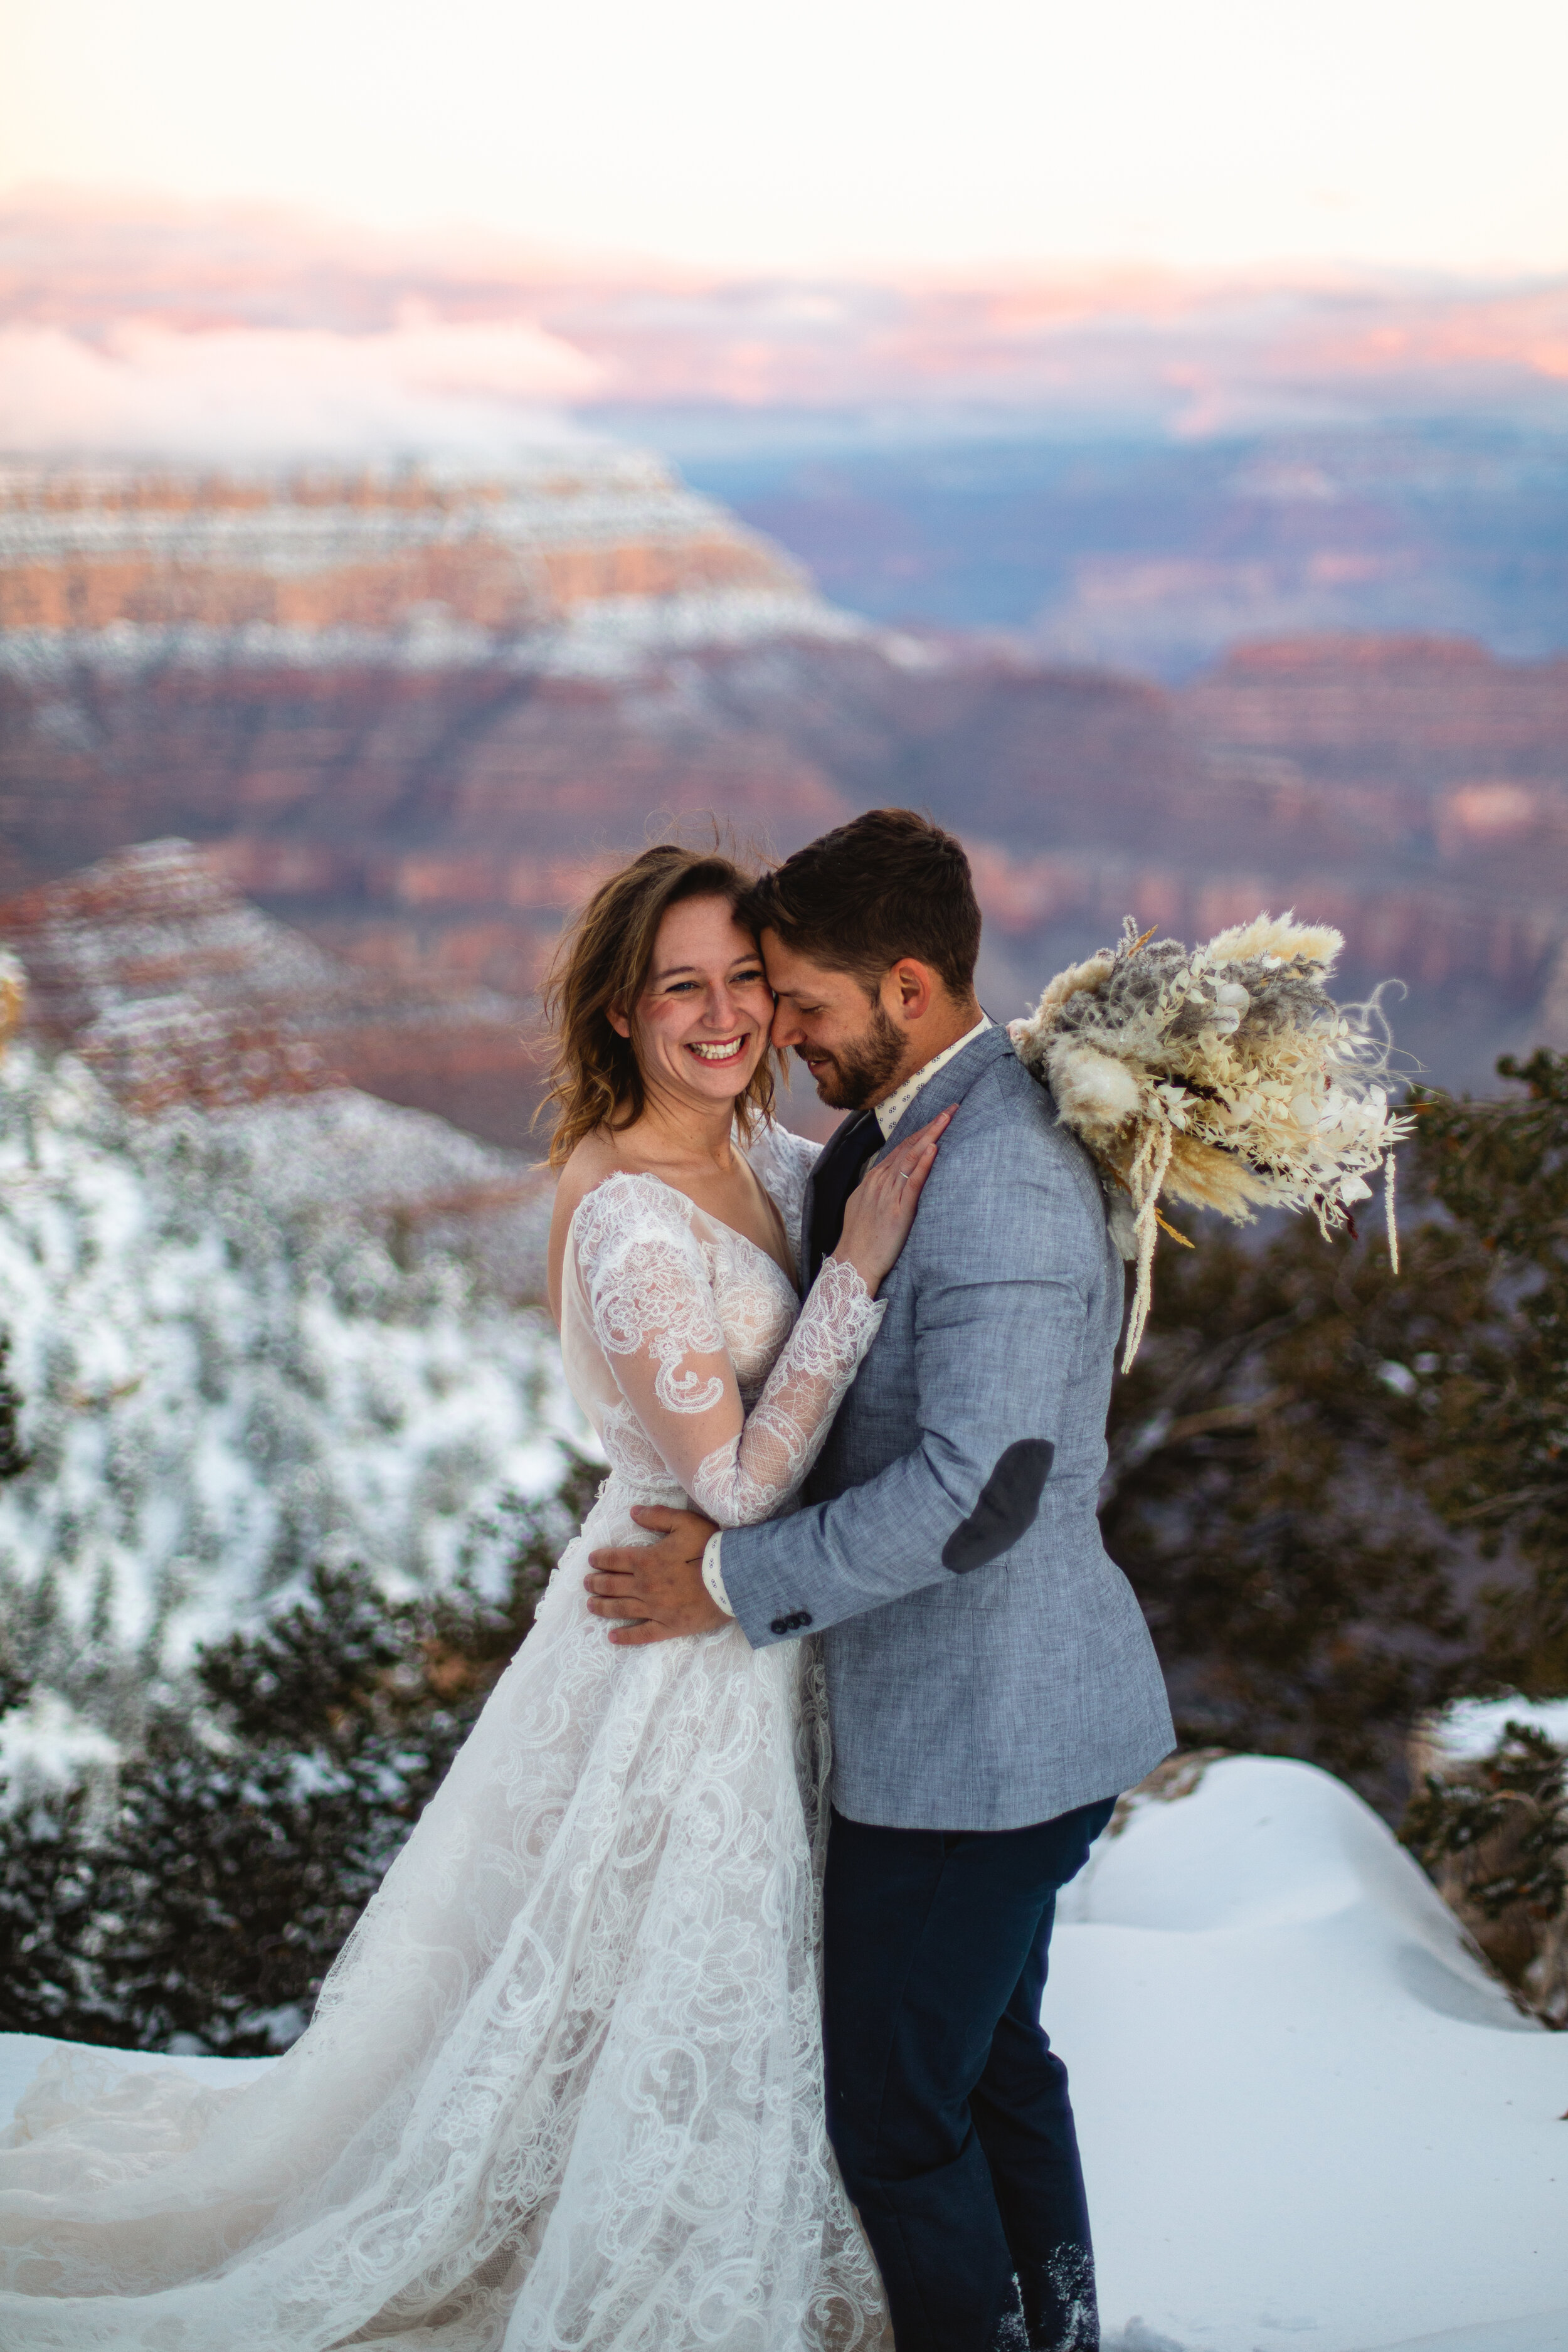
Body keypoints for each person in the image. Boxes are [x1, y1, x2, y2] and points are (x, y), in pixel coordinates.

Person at [0, 844, 945, 2350]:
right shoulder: (634, 1209)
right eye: (679, 988)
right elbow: (739, 1490)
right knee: (649, 1968)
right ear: (622, 1013)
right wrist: (860, 1276)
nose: (722, 1016)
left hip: (762, 1628)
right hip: (671, 1646)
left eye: (745, 982)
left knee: (704, 1977)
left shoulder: (768, 1159)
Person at [586, 810, 1175, 2352]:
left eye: (798, 1003)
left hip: (971, 1745)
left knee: (899, 2121)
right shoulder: (917, 1124)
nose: (776, 1034)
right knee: (995, 2069)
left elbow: (976, 1494)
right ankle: (1061, 2335)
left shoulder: (994, 1175)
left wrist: (728, 1581)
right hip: (981, 1724)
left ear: (905, 988)